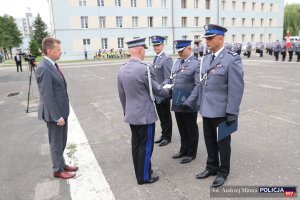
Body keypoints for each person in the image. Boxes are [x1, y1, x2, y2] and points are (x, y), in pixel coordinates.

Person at [196, 24, 244, 187]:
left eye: (210, 38)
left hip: (223, 111)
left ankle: (223, 172)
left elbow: (236, 88)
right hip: (206, 109)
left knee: (223, 144)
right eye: (206, 38)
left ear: (220, 38)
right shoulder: (207, 58)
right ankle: (211, 167)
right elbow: (203, 84)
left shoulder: (232, 58)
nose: (207, 41)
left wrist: (232, 111)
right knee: (209, 141)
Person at [117, 38, 170, 185]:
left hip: (131, 114)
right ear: (140, 50)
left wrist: (126, 111)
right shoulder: (143, 69)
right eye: (144, 49)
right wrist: (169, 90)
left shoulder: (122, 69)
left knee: (136, 145)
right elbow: (157, 90)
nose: (145, 51)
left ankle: (140, 172)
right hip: (145, 116)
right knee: (146, 147)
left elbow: (122, 95)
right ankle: (144, 177)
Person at [35, 37, 78, 179]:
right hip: (55, 114)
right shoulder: (44, 68)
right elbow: (47, 95)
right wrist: (56, 116)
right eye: (58, 50)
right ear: (49, 51)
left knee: (62, 140)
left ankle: (61, 163)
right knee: (56, 143)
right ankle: (57, 170)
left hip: (61, 111)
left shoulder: (51, 65)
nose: (61, 52)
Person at [169, 40, 200, 164]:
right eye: (178, 51)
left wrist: (189, 102)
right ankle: (183, 149)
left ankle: (192, 153)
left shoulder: (196, 64)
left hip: (189, 103)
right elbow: (171, 78)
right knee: (182, 128)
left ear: (189, 49)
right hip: (177, 101)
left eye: (182, 51)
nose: (180, 53)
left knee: (190, 128)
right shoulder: (177, 62)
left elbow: (198, 86)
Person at [150, 35, 173, 147]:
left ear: (163, 45)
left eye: (158, 45)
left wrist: (162, 91)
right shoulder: (155, 58)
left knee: (166, 115)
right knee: (161, 115)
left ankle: (167, 137)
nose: (156, 47)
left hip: (163, 93)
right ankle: (163, 134)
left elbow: (169, 78)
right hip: (156, 93)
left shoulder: (167, 59)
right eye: (154, 45)